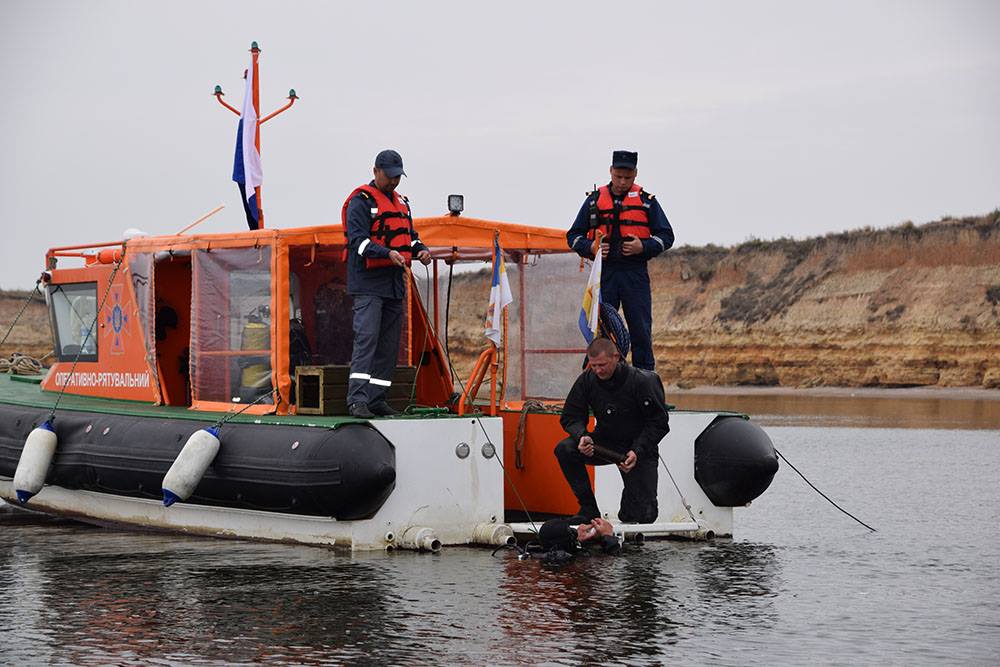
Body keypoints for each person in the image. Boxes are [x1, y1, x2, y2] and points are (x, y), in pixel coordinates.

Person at [342, 149, 431, 418]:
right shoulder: (361, 201)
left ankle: (377, 398)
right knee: (367, 340)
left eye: (397, 177)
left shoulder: (402, 203)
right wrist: (386, 253)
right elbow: (357, 241)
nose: (394, 182)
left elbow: (410, 238)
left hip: (394, 286)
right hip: (369, 285)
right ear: (376, 172)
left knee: (390, 345)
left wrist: (421, 250)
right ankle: (357, 400)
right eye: (389, 176)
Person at [567, 150, 674, 371]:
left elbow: (667, 236)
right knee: (601, 331)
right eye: (618, 177)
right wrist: (591, 248)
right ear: (611, 172)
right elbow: (573, 236)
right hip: (604, 274)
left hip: (635, 273)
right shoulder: (593, 201)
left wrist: (643, 246)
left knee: (641, 330)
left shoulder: (647, 202)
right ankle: (593, 382)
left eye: (627, 177)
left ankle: (645, 381)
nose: (622, 182)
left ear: (635, 174)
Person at [554, 337, 669, 524]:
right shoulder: (587, 380)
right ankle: (588, 508)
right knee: (565, 449)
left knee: (643, 516)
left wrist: (637, 450)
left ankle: (630, 509)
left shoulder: (642, 381)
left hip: (637, 448)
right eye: (593, 366)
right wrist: (582, 436)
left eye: (602, 365)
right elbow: (570, 416)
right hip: (605, 443)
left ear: (616, 357)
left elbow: (659, 422)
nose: (598, 370)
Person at [537, 516, 621, 563]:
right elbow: (613, 561)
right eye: (570, 531)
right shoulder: (568, 561)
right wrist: (608, 536)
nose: (574, 532)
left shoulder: (537, 555)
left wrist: (578, 540)